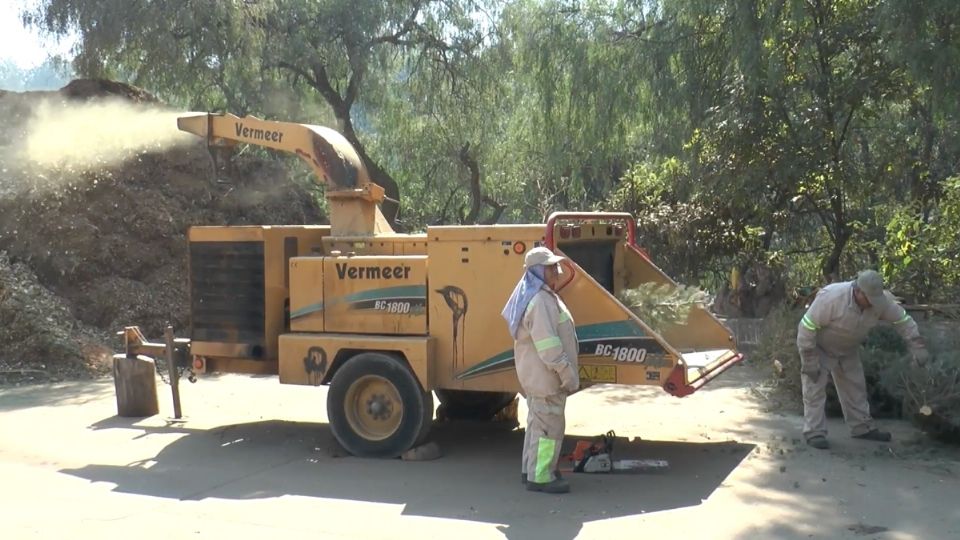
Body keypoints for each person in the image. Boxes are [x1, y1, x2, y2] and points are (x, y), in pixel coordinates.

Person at [797, 270, 929, 450]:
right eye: (870, 299)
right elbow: (807, 326)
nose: (873, 303)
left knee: (855, 388)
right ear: (858, 292)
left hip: (848, 349)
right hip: (821, 349)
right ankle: (814, 433)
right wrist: (809, 359)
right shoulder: (832, 298)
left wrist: (918, 346)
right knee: (814, 389)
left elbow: (903, 320)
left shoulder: (880, 302)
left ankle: (861, 428)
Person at [501, 246, 580, 493]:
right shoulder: (541, 301)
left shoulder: (539, 296)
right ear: (537, 271)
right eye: (550, 267)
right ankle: (542, 477)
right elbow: (549, 347)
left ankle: (532, 470)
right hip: (547, 380)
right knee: (549, 429)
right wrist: (567, 374)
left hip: (539, 379)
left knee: (538, 425)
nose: (556, 271)